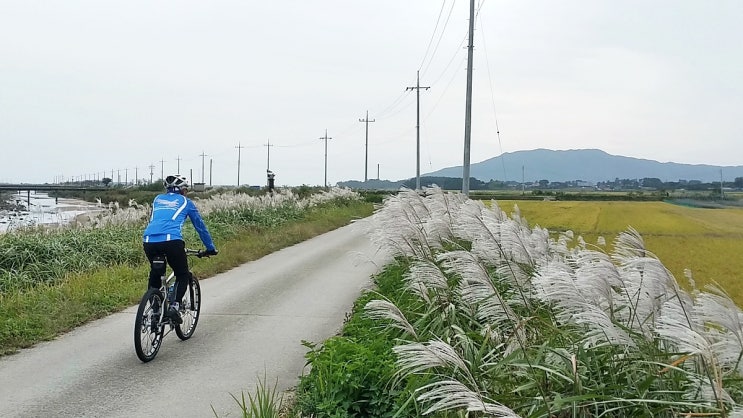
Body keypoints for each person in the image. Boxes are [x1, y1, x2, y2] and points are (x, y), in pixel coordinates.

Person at [142, 174, 217, 324]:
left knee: (156, 274)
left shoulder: (157, 199)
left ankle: (155, 309)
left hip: (148, 240)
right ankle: (174, 307)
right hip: (172, 241)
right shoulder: (186, 202)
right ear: (182, 190)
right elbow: (200, 227)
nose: (186, 191)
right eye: (186, 189)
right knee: (182, 274)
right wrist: (210, 248)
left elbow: (155, 219)